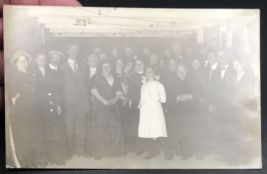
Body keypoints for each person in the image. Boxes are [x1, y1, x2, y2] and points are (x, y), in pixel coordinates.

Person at [8, 50, 48, 168]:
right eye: (20, 61)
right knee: (25, 137)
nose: (23, 63)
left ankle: (39, 161)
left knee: (37, 135)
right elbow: (13, 97)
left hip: (35, 109)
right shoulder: (13, 77)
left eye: (25, 60)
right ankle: (27, 163)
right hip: (23, 111)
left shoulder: (32, 74)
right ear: (16, 63)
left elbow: (38, 89)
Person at [32, 51, 67, 165]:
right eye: (39, 59)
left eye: (44, 59)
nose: (42, 62)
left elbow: (55, 90)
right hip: (39, 108)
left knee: (53, 133)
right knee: (41, 134)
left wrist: (57, 105)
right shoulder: (31, 72)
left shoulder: (50, 72)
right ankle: (42, 160)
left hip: (51, 107)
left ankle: (55, 157)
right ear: (35, 60)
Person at [59, 43, 90, 159]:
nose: (74, 52)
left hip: (81, 103)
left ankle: (80, 150)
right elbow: (60, 86)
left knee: (81, 127)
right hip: (68, 103)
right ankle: (69, 151)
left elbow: (87, 84)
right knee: (68, 128)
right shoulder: (62, 67)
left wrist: (87, 102)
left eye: (76, 50)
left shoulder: (83, 66)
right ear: (68, 51)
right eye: (72, 50)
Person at [91, 60, 125, 160]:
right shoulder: (96, 77)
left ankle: (114, 151)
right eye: (104, 66)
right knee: (100, 129)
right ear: (101, 68)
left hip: (113, 106)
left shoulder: (116, 78)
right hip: (100, 106)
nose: (106, 68)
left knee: (114, 128)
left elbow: (119, 92)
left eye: (108, 66)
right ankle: (99, 152)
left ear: (111, 67)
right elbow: (94, 91)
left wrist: (113, 101)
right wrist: (103, 101)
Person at [138, 67, 172, 159]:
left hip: (155, 109)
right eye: (147, 72)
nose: (149, 73)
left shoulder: (159, 85)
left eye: (151, 72)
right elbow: (141, 99)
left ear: (154, 73)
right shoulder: (143, 86)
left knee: (159, 130)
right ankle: (152, 152)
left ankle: (167, 153)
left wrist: (155, 103)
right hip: (145, 110)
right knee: (147, 130)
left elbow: (163, 99)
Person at [128, 59, 146, 154]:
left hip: (147, 102)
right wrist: (135, 100)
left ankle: (149, 146)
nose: (138, 66)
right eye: (136, 64)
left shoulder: (148, 75)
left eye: (141, 63)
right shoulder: (132, 76)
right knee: (136, 124)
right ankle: (139, 147)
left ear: (144, 65)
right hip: (136, 103)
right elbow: (130, 90)